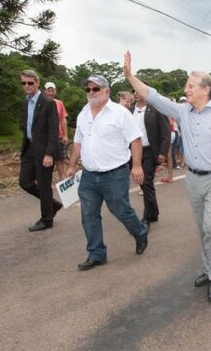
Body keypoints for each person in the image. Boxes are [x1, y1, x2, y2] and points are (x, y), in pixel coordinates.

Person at [124, 51, 211, 302]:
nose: (186, 89)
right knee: (202, 228)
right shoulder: (183, 112)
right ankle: (208, 267)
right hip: (193, 179)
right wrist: (130, 77)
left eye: (191, 85)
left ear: (206, 90)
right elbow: (153, 96)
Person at [66, 75, 149, 271]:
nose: (91, 93)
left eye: (96, 89)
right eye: (88, 89)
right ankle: (96, 254)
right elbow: (78, 141)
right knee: (88, 214)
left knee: (120, 210)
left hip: (115, 174)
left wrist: (136, 167)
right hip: (89, 175)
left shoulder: (120, 113)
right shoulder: (83, 114)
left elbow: (135, 140)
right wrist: (71, 165)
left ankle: (140, 233)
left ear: (107, 91)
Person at [18, 69, 62, 232]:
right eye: (24, 83)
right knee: (25, 182)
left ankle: (47, 219)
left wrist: (49, 153)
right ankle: (53, 204)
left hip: (44, 150)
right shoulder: (25, 102)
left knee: (44, 186)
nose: (27, 86)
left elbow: (53, 130)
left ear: (37, 83)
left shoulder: (48, 103)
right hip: (29, 147)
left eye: (30, 83)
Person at [132, 89, 171, 225]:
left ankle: (147, 216)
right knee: (143, 184)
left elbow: (166, 132)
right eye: (133, 91)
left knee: (146, 182)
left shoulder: (156, 109)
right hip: (133, 152)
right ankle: (153, 213)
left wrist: (163, 152)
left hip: (149, 151)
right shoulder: (129, 110)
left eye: (138, 90)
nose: (136, 93)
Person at [44, 82, 69, 184]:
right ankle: (46, 183)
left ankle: (62, 181)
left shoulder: (59, 103)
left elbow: (63, 120)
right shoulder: (41, 102)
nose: (51, 92)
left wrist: (65, 135)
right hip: (45, 138)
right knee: (46, 161)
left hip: (58, 136)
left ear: (55, 91)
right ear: (45, 91)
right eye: (49, 90)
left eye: (52, 90)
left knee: (60, 160)